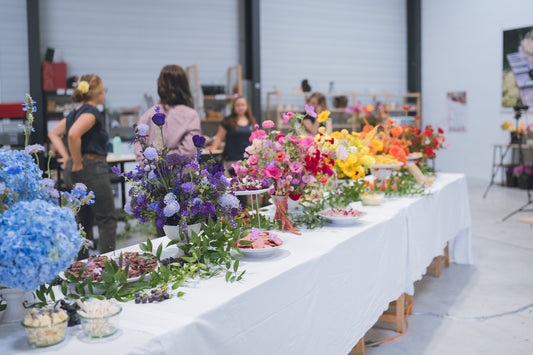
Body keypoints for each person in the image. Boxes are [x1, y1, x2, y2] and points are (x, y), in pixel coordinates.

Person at [48, 74, 117, 258]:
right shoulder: (91, 112)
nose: (104, 93)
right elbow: (72, 135)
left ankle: (82, 269)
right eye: (103, 90)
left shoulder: (73, 113)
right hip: (91, 167)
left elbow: (54, 133)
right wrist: (76, 160)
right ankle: (107, 267)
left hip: (76, 170)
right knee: (106, 219)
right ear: (97, 93)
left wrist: (67, 157)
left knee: (83, 221)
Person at [134, 65, 201, 162]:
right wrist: (164, 161)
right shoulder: (191, 115)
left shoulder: (147, 115)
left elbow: (138, 147)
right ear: (184, 86)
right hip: (181, 175)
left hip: (153, 175)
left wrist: (153, 163)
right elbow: (189, 150)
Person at [207, 95, 256, 174]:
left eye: (242, 105)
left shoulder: (251, 121)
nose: (240, 107)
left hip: (249, 160)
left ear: (247, 107)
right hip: (232, 160)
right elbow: (219, 136)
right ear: (234, 107)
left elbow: (255, 138)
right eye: (237, 105)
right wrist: (214, 146)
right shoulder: (228, 121)